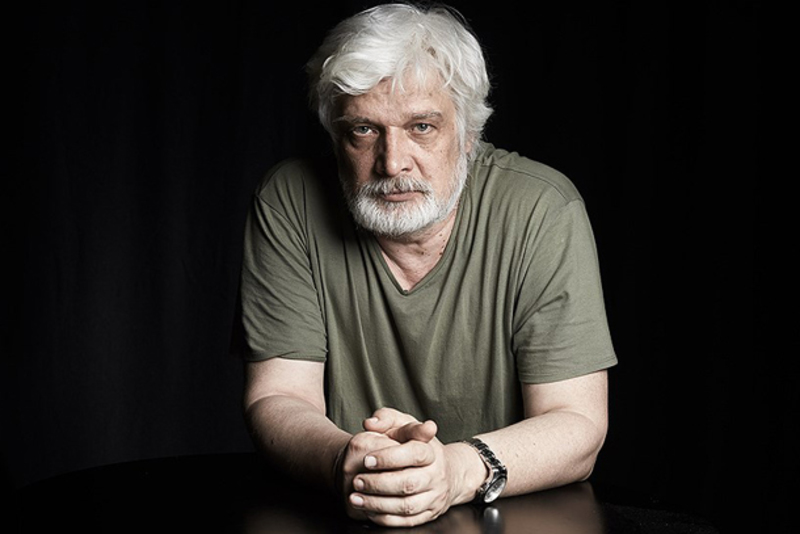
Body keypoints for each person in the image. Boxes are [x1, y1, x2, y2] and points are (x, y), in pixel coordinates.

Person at [239, 3, 617, 528]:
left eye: (421, 126)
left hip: (510, 517)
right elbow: (279, 395)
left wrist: (456, 470)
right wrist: (352, 461)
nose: (392, 162)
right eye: (364, 130)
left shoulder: (542, 209)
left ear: (468, 131)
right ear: (335, 136)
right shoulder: (290, 200)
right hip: (347, 513)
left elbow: (577, 422)